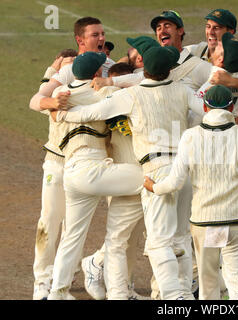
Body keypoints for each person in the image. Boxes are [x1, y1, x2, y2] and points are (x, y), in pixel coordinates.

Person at [53, 46, 206, 300]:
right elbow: (206, 112)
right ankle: (182, 295)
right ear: (170, 69)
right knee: (180, 238)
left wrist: (61, 114)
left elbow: (93, 112)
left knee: (159, 242)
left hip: (154, 171)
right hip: (183, 170)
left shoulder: (131, 95)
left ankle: (173, 297)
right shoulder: (183, 90)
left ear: (144, 69)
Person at [143, 85, 238, 300]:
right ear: (231, 107)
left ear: (204, 107)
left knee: (208, 282)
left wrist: (154, 187)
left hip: (207, 222)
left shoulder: (190, 137)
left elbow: (174, 182)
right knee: (236, 278)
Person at [46, 52, 145, 300]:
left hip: (71, 172)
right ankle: (157, 243)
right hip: (94, 169)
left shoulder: (60, 95)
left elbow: (42, 102)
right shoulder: (103, 93)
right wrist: (113, 82)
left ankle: (58, 292)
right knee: (153, 177)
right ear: (96, 74)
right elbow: (145, 83)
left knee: (72, 237)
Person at [80, 37, 160, 301]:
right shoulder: (111, 95)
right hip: (122, 175)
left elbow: (137, 78)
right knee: (121, 236)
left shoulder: (141, 87)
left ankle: (123, 286)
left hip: (142, 175)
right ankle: (100, 270)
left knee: (133, 236)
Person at [32, 48, 77, 300]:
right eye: (64, 67)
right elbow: (39, 97)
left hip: (81, 167)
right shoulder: (52, 94)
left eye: (73, 65)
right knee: (49, 220)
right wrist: (52, 69)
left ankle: (62, 283)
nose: (69, 71)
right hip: (55, 164)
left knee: (73, 227)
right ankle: (42, 282)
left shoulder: (86, 90)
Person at [29, 16, 110, 112]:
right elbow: (34, 101)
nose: (102, 38)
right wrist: (53, 102)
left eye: (103, 34)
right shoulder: (69, 68)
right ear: (80, 40)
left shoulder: (110, 65)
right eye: (95, 35)